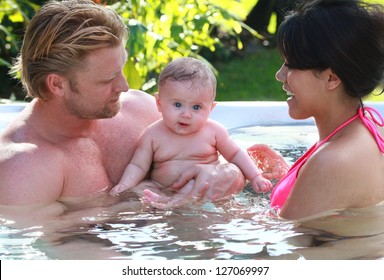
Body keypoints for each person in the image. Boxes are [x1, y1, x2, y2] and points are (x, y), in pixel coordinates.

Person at [0, 0, 246, 208]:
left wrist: (229, 173)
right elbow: (60, 251)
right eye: (107, 79)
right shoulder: (23, 170)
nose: (125, 86)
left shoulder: (140, 108)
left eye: (121, 69)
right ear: (57, 85)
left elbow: (216, 157)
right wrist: (133, 202)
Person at [249, 0, 384, 220]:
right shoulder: (373, 130)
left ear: (332, 78)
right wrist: (291, 176)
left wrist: (215, 201)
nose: (280, 75)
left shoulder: (333, 162)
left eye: (291, 65)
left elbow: (286, 246)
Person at [110, 57, 272, 207]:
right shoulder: (152, 134)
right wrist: (125, 186)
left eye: (196, 107)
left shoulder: (214, 131)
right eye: (178, 105)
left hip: (202, 188)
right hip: (162, 187)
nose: (186, 114)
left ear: (210, 108)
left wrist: (255, 176)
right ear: (159, 103)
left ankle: (172, 203)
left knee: (198, 186)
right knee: (142, 189)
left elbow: (236, 154)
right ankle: (165, 201)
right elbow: (138, 166)